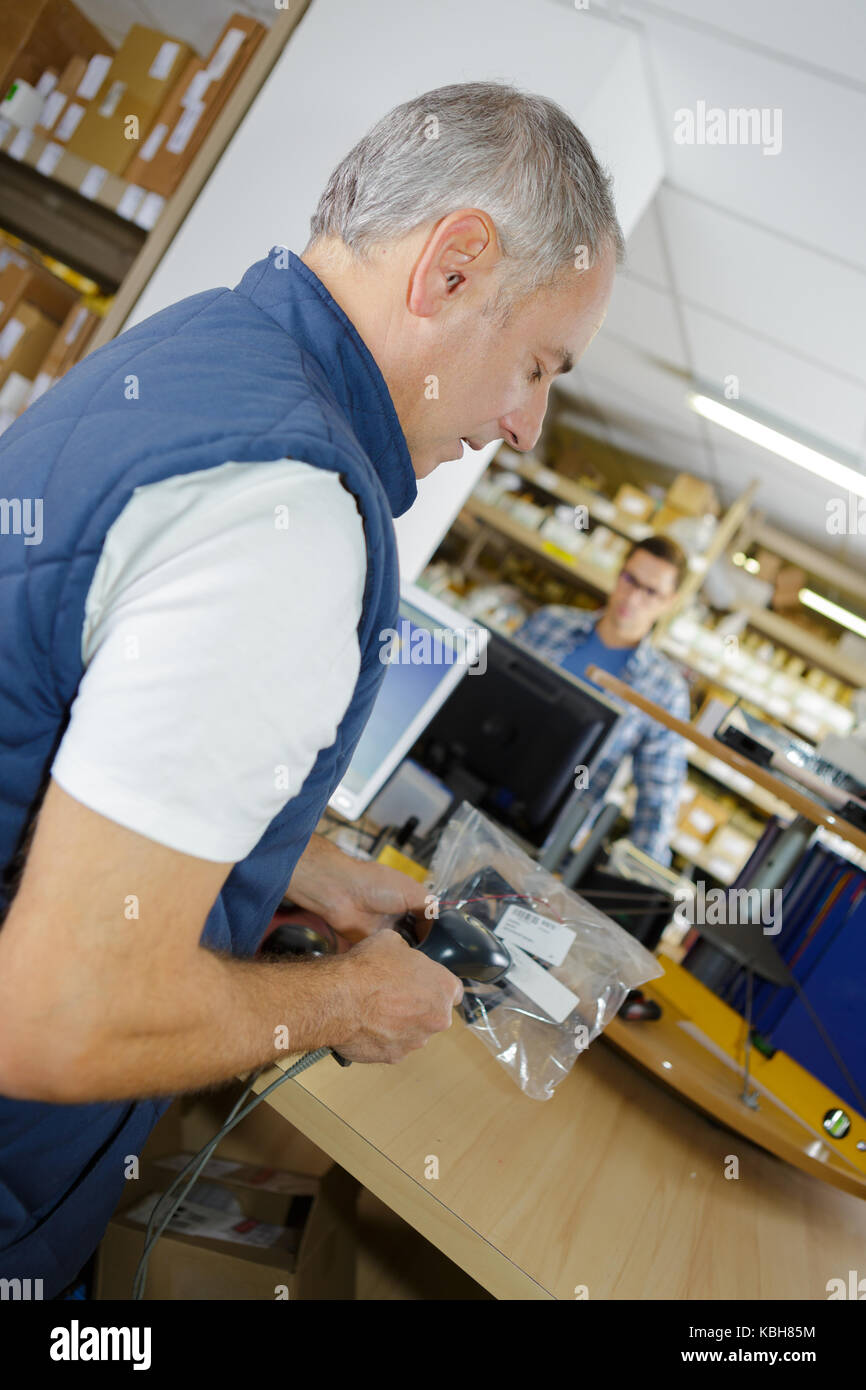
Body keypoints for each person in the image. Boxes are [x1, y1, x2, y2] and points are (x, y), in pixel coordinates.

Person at [0, 82, 623, 1295]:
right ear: (452, 268)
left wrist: (279, 861)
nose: (526, 425)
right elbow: (60, 1013)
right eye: (538, 363)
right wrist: (344, 1003)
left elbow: (65, 710)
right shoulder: (287, 521)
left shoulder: (208, 355)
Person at [515, 535, 691, 866]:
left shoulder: (665, 690)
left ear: (670, 602)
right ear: (619, 572)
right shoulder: (549, 623)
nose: (633, 597)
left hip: (547, 848)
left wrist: (640, 889)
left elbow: (657, 800)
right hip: (474, 791)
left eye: (651, 592)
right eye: (630, 579)